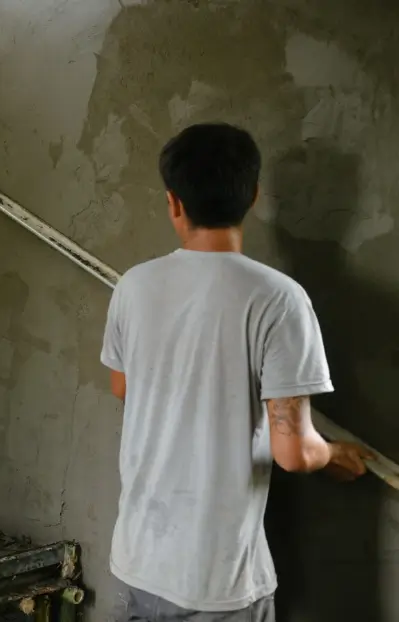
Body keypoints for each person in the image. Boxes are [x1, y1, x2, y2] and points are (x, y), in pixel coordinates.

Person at [100, 122, 371, 622]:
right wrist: (337, 454)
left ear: (173, 202)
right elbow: (294, 451)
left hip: (137, 563)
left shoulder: (133, 287)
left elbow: (124, 388)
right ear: (252, 195)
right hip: (218, 583)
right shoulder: (278, 299)